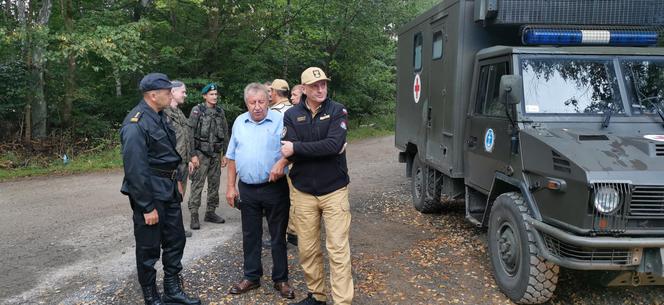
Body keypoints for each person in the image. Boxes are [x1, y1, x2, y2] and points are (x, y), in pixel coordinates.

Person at [120, 73, 201, 305]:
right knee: (148, 248)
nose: (171, 94)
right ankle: (150, 295)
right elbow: (135, 170)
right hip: (150, 194)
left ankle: (172, 289)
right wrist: (146, 207)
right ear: (153, 95)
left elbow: (168, 155)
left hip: (168, 189)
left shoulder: (160, 116)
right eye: (167, 92)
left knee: (175, 240)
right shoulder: (136, 123)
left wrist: (175, 179)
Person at [281, 67, 353, 305]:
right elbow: (287, 150)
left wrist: (298, 148)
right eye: (314, 86)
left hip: (334, 191)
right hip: (303, 193)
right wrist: (317, 148)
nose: (320, 89)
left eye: (323, 84)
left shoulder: (337, 110)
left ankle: (342, 301)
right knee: (308, 250)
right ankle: (317, 296)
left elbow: (333, 145)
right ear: (303, 89)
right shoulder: (291, 114)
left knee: (338, 251)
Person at [225, 83, 294, 299]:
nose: (257, 107)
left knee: (277, 235)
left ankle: (281, 279)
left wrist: (282, 163)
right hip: (247, 189)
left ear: (269, 100)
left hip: (274, 188)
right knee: (250, 234)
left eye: (261, 102)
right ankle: (251, 276)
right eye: (252, 102)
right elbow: (232, 157)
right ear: (246, 103)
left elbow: (293, 148)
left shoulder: (281, 120)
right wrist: (230, 187)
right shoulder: (239, 122)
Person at [187, 83, 229, 230]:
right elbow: (190, 134)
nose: (214, 97)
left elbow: (225, 132)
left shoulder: (220, 112)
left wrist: (225, 153)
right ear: (205, 96)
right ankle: (194, 214)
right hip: (201, 153)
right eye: (211, 94)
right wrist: (192, 155)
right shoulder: (197, 111)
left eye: (216, 94)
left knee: (214, 184)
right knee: (197, 184)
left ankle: (210, 212)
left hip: (216, 154)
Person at [269, 78, 297, 246]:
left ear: (275, 92)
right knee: (294, 196)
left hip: (282, 160)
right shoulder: (295, 109)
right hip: (296, 159)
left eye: (271, 91)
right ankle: (294, 230)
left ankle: (288, 233)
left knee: (282, 198)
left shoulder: (274, 112)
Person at [164, 80, 194, 238]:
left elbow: (185, 138)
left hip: (182, 163)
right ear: (173, 92)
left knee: (178, 198)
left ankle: (176, 229)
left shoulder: (179, 113)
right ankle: (170, 231)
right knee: (170, 198)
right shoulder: (164, 114)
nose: (185, 94)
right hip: (171, 166)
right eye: (183, 91)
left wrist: (189, 159)